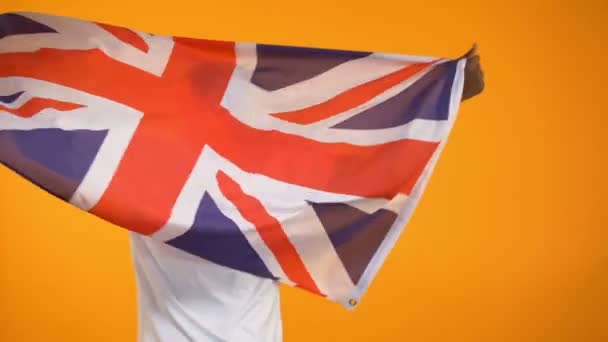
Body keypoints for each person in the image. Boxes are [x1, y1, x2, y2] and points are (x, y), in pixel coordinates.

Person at [129, 47, 485, 342]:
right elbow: (349, 158)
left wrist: (443, 91)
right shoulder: (261, 184)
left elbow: (348, 156)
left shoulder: (137, 176)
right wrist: (443, 92)